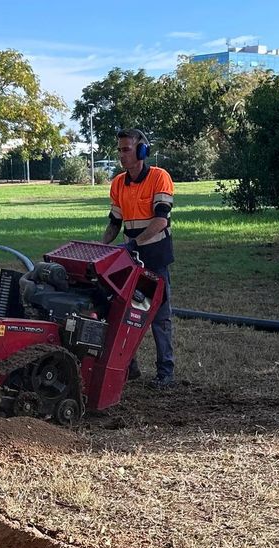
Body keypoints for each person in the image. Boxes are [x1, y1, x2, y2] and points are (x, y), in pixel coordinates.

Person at [100, 128, 176, 385]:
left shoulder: (159, 178)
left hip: (154, 255)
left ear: (142, 151)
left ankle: (166, 373)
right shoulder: (118, 183)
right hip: (130, 256)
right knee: (123, 313)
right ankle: (129, 368)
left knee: (159, 317)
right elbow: (114, 223)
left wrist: (134, 244)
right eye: (119, 150)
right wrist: (101, 247)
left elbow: (161, 220)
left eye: (126, 149)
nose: (122, 155)